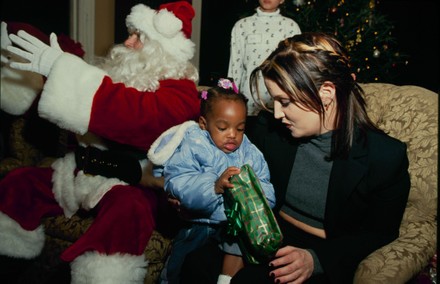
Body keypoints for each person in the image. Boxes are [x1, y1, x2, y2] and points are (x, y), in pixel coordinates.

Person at [180, 32, 411, 284]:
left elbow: (380, 234)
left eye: (285, 101)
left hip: (323, 250)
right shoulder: (267, 130)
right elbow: (208, 142)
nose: (277, 113)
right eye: (274, 100)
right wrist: (179, 184)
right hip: (261, 229)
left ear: (326, 92)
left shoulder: (385, 157)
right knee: (195, 266)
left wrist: (317, 259)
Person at [0, 2, 200, 283]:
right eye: (129, 34)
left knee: (127, 210)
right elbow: (79, 106)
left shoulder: (181, 92)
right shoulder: (118, 77)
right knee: (18, 183)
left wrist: (66, 70)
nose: (127, 42)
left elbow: (138, 118)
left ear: (163, 50)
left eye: (138, 37)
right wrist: (43, 75)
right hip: (80, 173)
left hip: (132, 182)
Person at [147, 78, 276, 284]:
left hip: (232, 227)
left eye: (240, 128)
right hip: (198, 225)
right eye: (223, 128)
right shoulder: (193, 145)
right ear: (204, 124)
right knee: (178, 271)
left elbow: (267, 189)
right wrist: (213, 187)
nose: (233, 135)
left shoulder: (250, 152)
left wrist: (253, 197)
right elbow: (179, 182)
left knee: (239, 253)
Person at [227, 0, 301, 117]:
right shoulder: (242, 26)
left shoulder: (290, 26)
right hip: (248, 103)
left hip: (280, 104)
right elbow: (235, 66)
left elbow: (296, 69)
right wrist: (230, 100)